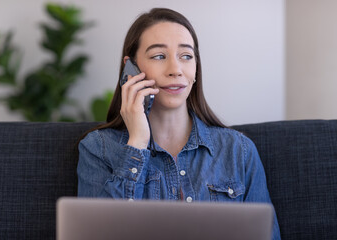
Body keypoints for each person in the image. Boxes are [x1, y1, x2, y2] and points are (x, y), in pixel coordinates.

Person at [77, 8, 281, 239]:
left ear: (196, 68)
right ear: (130, 69)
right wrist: (137, 144)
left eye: (186, 56)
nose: (175, 70)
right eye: (159, 56)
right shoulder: (98, 149)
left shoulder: (239, 151)